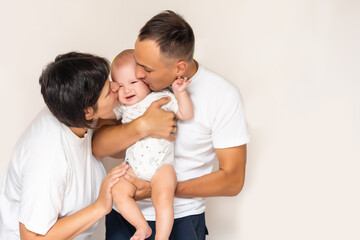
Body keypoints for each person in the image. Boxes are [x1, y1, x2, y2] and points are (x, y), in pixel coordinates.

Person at [92, 10, 250, 240]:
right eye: (138, 62)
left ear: (179, 68)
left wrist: (160, 190)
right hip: (125, 217)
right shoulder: (131, 86)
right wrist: (143, 126)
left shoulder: (222, 95)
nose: (136, 73)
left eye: (146, 69)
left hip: (182, 219)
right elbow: (99, 146)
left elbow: (233, 180)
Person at [0, 52, 174, 240]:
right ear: (88, 112)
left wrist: (143, 124)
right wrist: (100, 206)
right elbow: (31, 238)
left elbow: (106, 145)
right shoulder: (48, 159)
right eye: (109, 90)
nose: (117, 87)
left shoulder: (72, 106)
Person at [105, 49, 193, 240]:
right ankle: (142, 227)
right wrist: (109, 92)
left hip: (161, 166)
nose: (126, 89)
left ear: (146, 80)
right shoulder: (123, 107)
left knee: (163, 197)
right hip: (132, 169)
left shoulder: (161, 98)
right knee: (117, 191)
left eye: (133, 82)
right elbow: (104, 115)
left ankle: (161, 238)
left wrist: (180, 93)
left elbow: (186, 114)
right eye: (120, 86)